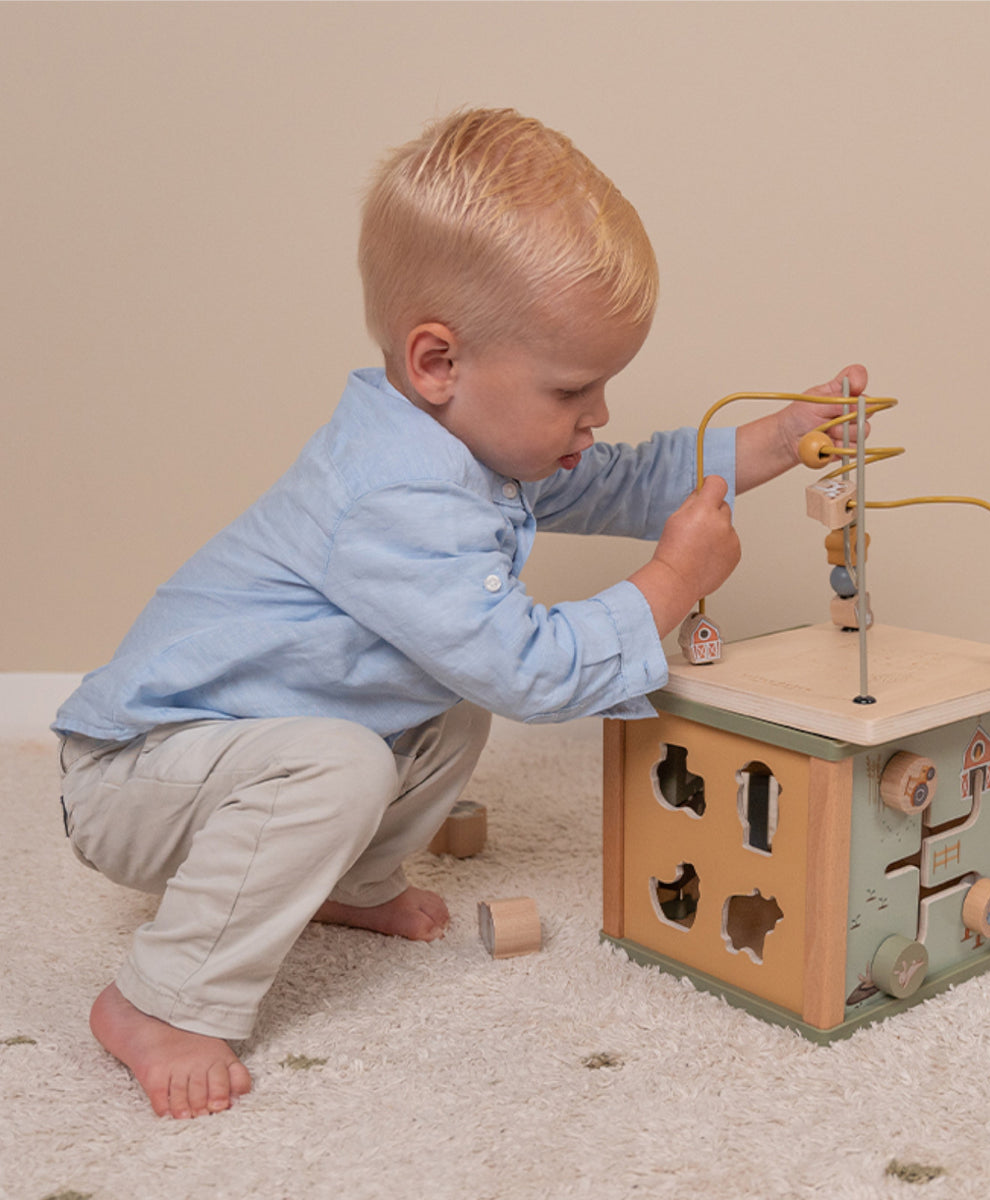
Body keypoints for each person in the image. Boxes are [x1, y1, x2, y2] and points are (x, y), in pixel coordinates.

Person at [54, 107, 867, 1119]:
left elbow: (622, 479)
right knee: (354, 754)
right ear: (437, 364)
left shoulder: (475, 448)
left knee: (446, 705)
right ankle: (159, 1002)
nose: (597, 414)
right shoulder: (392, 498)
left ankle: (349, 883)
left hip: (239, 750)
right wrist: (668, 580)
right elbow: (530, 671)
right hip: (140, 773)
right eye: (574, 387)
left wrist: (776, 441)